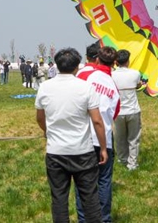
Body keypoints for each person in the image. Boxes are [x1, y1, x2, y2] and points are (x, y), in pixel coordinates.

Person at [36, 48, 108, 223]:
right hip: (82, 152)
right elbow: (97, 121)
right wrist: (103, 148)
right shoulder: (85, 87)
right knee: (89, 198)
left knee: (59, 198)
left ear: (58, 65)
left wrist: (47, 131)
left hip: (55, 152)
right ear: (77, 66)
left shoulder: (45, 87)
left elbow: (39, 117)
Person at [75, 46, 120, 223]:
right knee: (104, 181)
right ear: (113, 63)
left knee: (83, 183)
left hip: (83, 138)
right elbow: (114, 113)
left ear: (97, 60)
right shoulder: (113, 85)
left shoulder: (85, 76)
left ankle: (84, 219)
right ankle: (104, 219)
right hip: (105, 139)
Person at [111, 49, 142, 171]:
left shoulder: (112, 75)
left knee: (120, 137)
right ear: (128, 61)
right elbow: (137, 84)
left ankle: (122, 159)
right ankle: (132, 163)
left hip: (118, 111)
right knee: (133, 138)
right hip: (133, 110)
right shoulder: (135, 73)